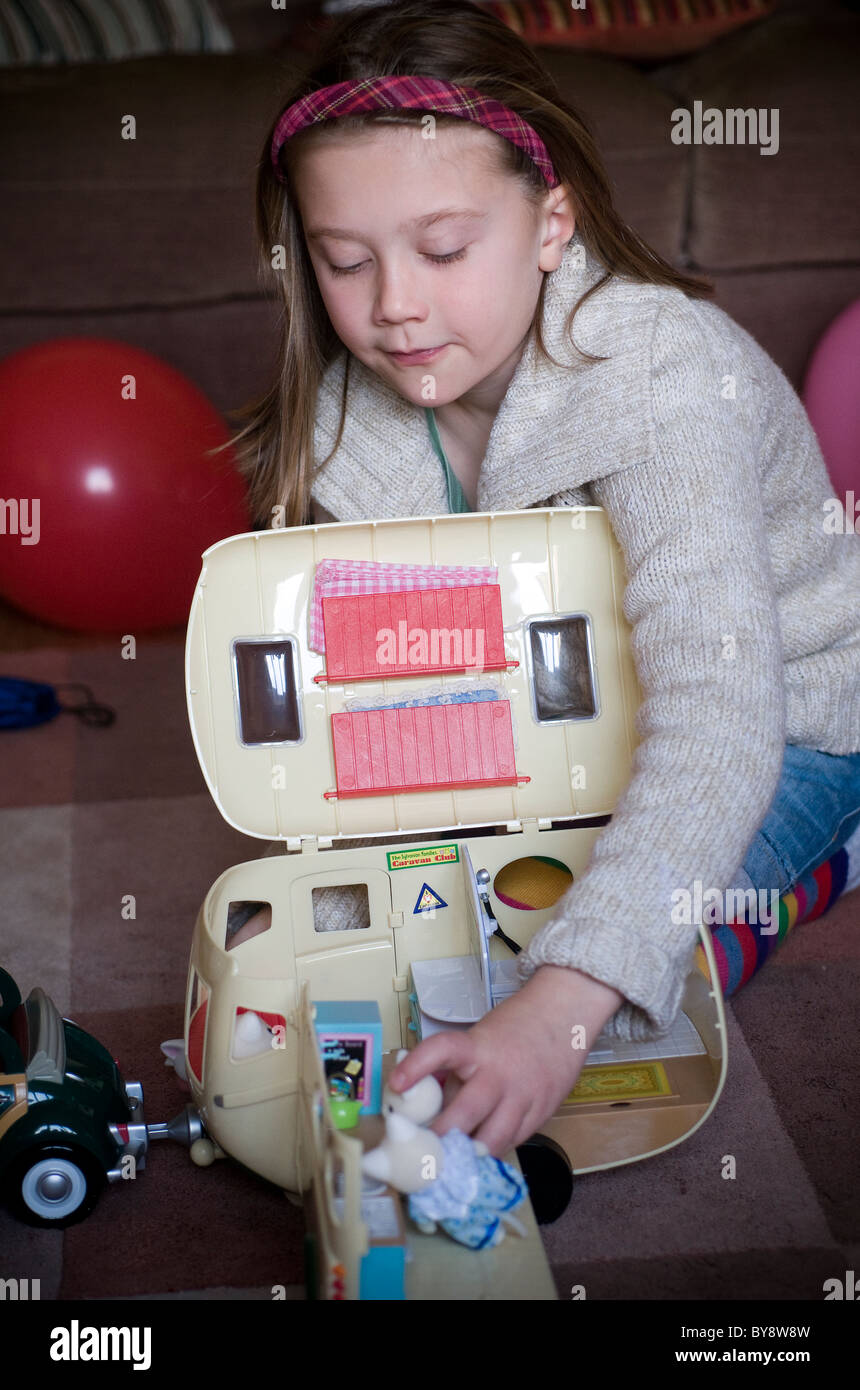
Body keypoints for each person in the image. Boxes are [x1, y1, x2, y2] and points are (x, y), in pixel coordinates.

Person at [218, 0, 860, 1157]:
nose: (394, 305)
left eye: (445, 249)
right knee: (419, 947)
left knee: (623, 981)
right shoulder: (341, 415)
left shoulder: (664, 376)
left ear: (552, 221)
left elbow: (720, 712)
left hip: (798, 718)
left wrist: (557, 1005)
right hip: (559, 737)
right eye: (343, 261)